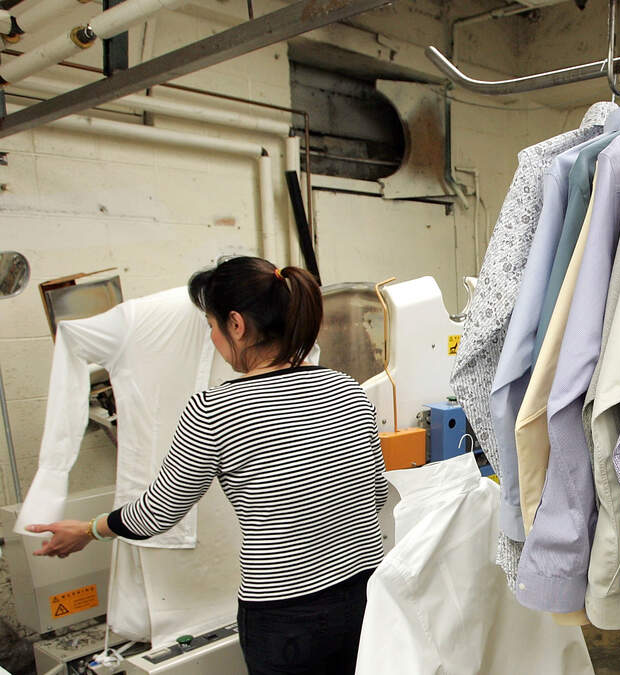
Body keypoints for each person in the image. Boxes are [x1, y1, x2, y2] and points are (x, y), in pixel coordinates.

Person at [29, 256, 388, 675]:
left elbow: (156, 514)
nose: (213, 338)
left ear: (236, 324)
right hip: (365, 598)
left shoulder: (216, 409)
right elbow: (376, 495)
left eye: (212, 326)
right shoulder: (347, 388)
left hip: (285, 619)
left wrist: (89, 530)